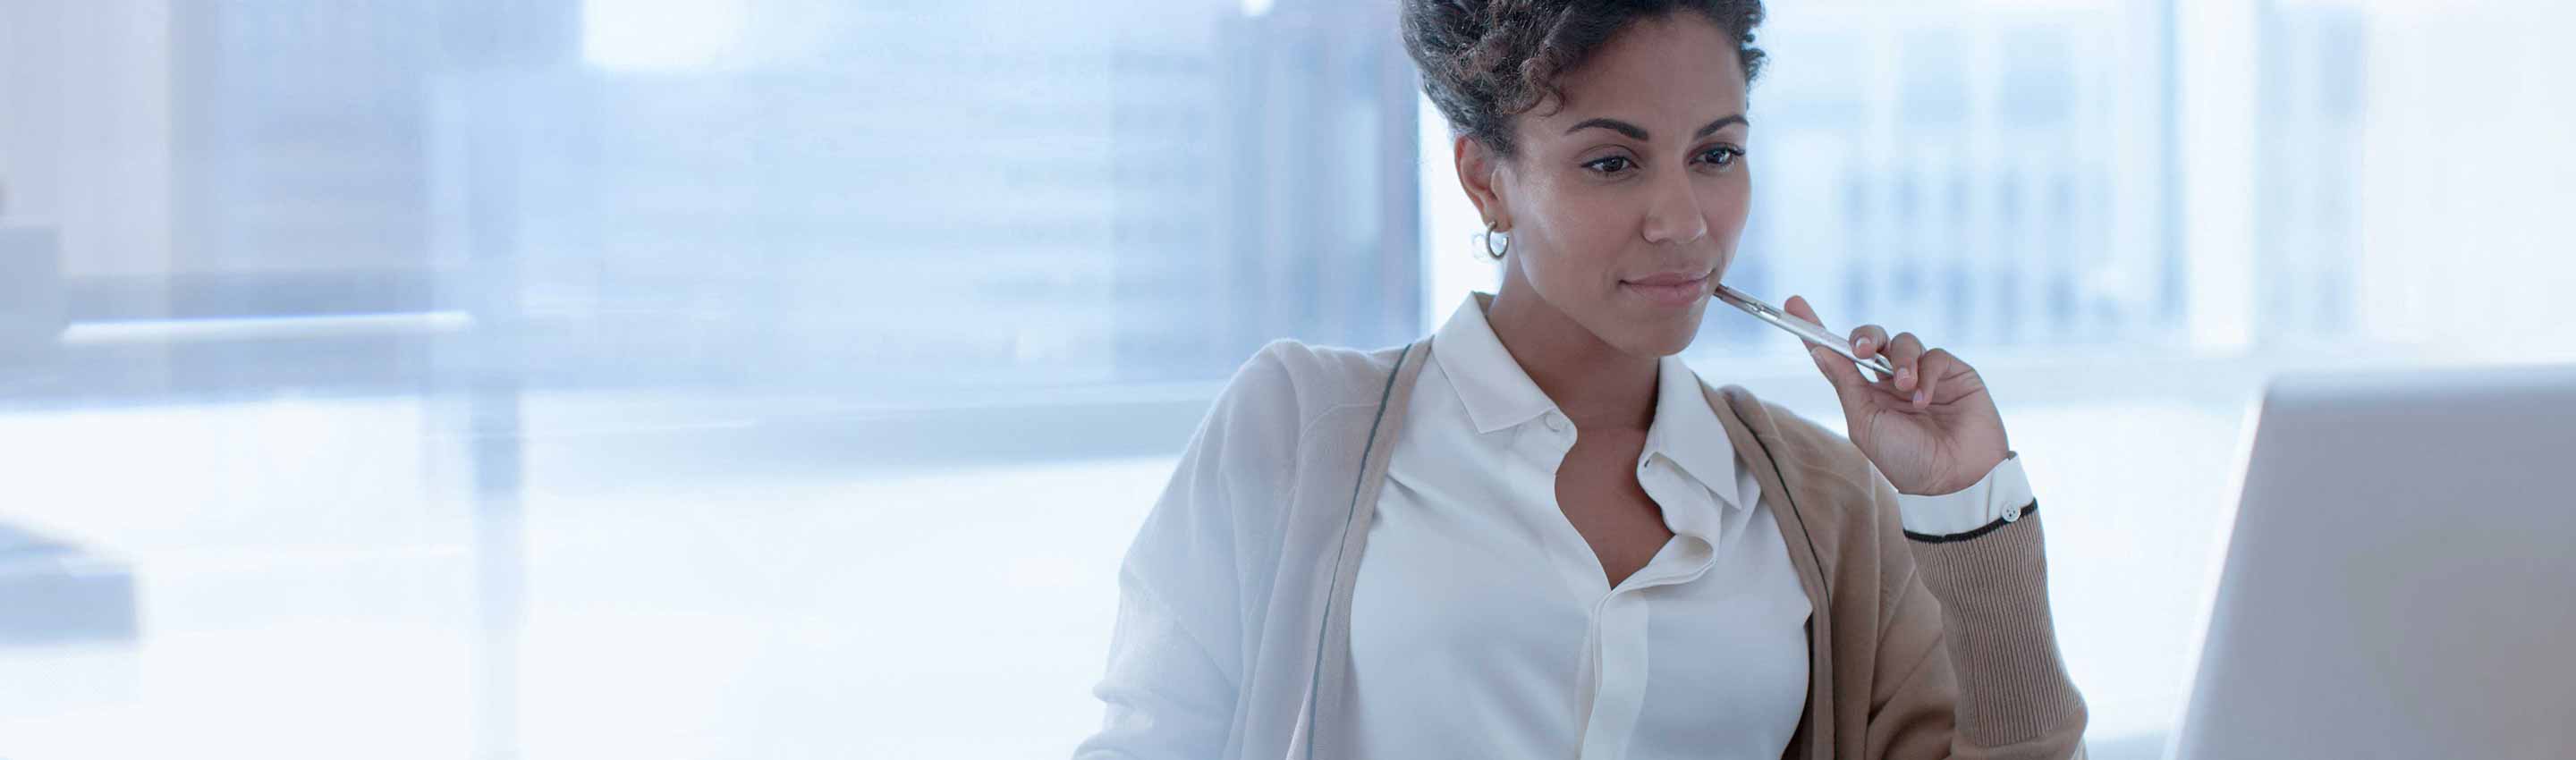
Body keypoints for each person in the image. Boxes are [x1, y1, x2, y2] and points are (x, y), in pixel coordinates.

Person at [1075, 2, 2086, 758]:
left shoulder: (1822, 504)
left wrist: (1960, 507)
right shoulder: (1298, 429)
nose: (1684, 221)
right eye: (1613, 163)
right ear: (1485, 177)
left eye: (1717, 154)